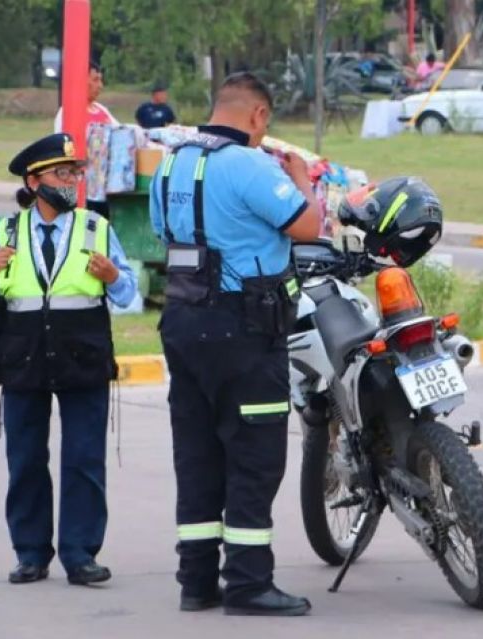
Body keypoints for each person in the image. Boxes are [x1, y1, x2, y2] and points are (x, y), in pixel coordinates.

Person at [149, 71, 323, 616]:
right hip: (243, 328)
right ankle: (249, 584)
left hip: (182, 322)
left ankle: (196, 581)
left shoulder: (172, 161)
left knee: (197, 453)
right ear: (259, 117)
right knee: (253, 456)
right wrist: (302, 181)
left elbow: (162, 231)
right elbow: (309, 227)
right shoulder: (251, 164)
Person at [0, 132, 137, 586]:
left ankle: (81, 554)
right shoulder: (6, 231)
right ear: (34, 180)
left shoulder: (96, 228)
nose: (71, 181)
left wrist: (114, 274)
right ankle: (30, 553)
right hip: (23, 359)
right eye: (61, 173)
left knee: (84, 459)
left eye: (75, 173)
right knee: (25, 459)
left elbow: (129, 296)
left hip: (82, 357)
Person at [54, 59, 118, 218]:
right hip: (82, 188)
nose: (100, 86)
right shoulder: (67, 113)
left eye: (101, 80)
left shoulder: (102, 111)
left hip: (105, 188)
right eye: (95, 80)